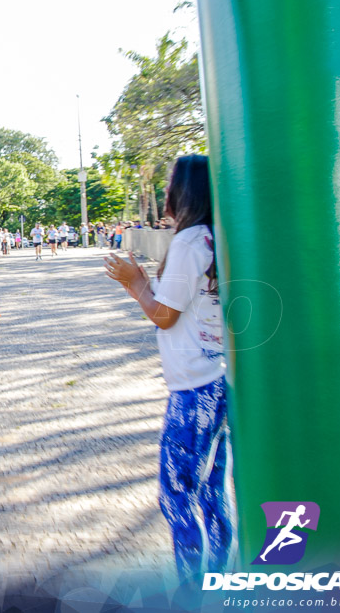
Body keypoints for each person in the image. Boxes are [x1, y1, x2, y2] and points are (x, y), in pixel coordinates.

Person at [104, 154, 232, 583]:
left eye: (170, 184)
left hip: (194, 388)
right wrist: (139, 283)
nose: (164, 193)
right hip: (218, 380)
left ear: (186, 191)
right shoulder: (211, 239)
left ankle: (192, 587)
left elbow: (164, 315)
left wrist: (134, 281)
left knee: (176, 493)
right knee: (213, 490)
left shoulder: (188, 242)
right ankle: (218, 572)